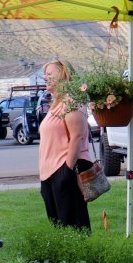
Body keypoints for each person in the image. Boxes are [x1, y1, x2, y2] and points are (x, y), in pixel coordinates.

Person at [38, 60, 91, 230]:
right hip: (49, 172)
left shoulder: (71, 102)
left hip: (64, 168)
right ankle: (63, 255)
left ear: (64, 75)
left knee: (73, 222)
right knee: (58, 223)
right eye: (45, 74)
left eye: (50, 74)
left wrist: (66, 170)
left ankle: (81, 255)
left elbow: (76, 137)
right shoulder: (57, 103)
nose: (45, 77)